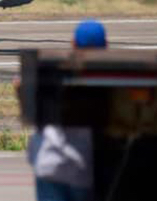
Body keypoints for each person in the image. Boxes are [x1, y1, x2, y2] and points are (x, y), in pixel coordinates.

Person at [27, 19, 105, 201]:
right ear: (105, 45)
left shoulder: (52, 72)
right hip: (83, 168)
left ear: (73, 43)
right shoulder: (106, 81)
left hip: (49, 164)